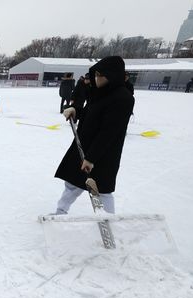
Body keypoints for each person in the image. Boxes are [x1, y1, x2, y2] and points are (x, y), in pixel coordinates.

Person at [52, 56, 135, 215]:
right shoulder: (99, 93)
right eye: (95, 74)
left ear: (112, 75)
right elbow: (92, 116)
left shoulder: (123, 98)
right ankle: (60, 211)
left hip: (103, 152)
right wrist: (76, 111)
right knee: (72, 183)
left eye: (100, 75)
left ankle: (108, 220)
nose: (96, 78)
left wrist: (91, 158)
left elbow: (109, 132)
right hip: (83, 145)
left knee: (101, 189)